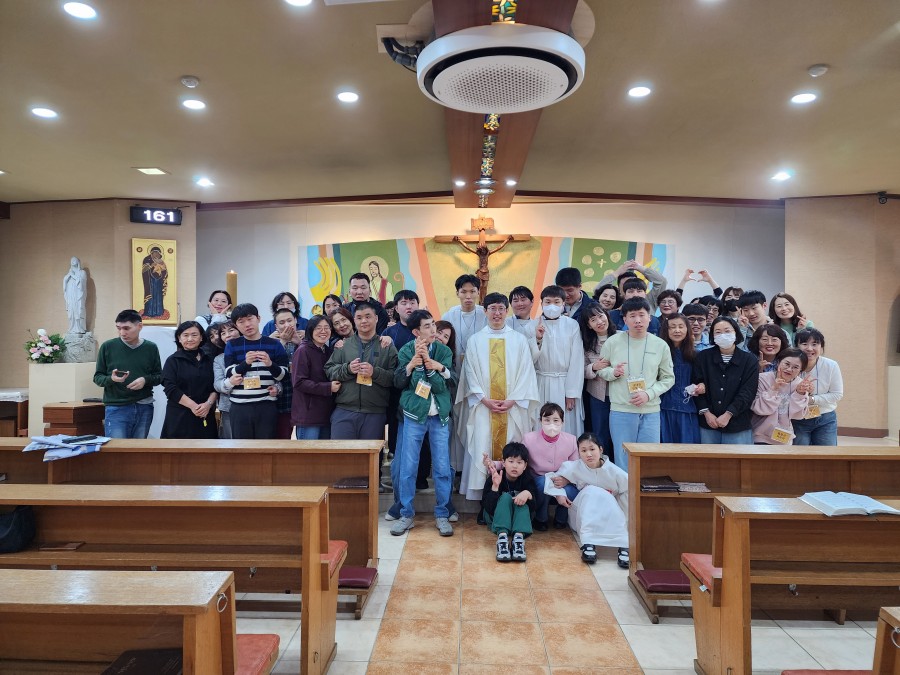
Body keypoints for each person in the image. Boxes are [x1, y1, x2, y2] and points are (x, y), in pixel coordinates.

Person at [458, 293, 540, 501]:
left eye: (501, 308)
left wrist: (513, 399)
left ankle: (511, 493)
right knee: (482, 444)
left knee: (511, 448)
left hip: (512, 407)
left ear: (507, 310)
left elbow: (526, 372)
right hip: (484, 407)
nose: (497, 313)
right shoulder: (475, 340)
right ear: (485, 311)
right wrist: (483, 399)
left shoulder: (519, 340)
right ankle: (483, 496)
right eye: (492, 309)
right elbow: (470, 373)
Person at [390, 310, 456, 537]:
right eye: (427, 326)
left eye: (433, 324)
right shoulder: (406, 350)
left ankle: (443, 514)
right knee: (408, 467)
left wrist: (432, 364)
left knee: (442, 467)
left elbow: (441, 385)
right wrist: (413, 365)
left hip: (439, 416)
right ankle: (406, 514)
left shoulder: (444, 351)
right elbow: (399, 381)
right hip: (413, 416)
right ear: (416, 332)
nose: (433, 330)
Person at [598, 297, 675, 472]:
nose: (638, 320)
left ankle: (645, 490)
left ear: (650, 318)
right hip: (621, 409)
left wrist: (649, 394)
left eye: (642, 315)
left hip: (650, 410)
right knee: (623, 458)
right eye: (632, 316)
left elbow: (668, 378)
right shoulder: (613, 342)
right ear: (625, 319)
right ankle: (625, 490)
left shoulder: (660, 345)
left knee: (649, 458)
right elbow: (602, 370)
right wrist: (613, 372)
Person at [549, 432, 629, 567]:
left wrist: (626, 521)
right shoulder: (573, 467)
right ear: (579, 452)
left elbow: (628, 493)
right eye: (584, 450)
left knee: (610, 502)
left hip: (609, 514)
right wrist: (559, 494)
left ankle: (623, 545)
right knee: (591, 491)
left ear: (601, 449)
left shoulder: (615, 472)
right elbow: (551, 480)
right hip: (583, 513)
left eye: (592, 449)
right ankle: (588, 544)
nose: (589, 454)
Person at [325, 300, 399, 440]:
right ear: (354, 320)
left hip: (375, 413)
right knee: (339, 452)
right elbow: (329, 371)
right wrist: (347, 369)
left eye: (368, 316)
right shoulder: (343, 346)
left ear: (376, 318)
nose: (363, 321)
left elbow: (395, 379)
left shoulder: (386, 346)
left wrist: (374, 373)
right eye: (359, 317)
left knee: (369, 454)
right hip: (344, 410)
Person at [224, 303, 290, 439]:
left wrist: (270, 364)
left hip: (266, 405)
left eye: (250, 319)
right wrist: (245, 363)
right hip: (239, 406)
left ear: (258, 319)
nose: (247, 324)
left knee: (265, 446)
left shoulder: (274, 344)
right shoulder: (232, 345)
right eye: (241, 322)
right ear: (236, 325)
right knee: (241, 447)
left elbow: (283, 375)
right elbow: (229, 373)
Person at [93, 309, 162, 438]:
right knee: (116, 448)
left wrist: (145, 380)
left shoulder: (151, 348)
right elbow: (98, 377)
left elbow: (159, 376)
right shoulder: (108, 346)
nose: (122, 333)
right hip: (116, 407)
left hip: (144, 406)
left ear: (139, 326)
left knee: (138, 449)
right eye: (118, 328)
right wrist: (111, 379)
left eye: (126, 328)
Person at [691, 316, 759, 444]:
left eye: (727, 331)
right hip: (708, 422)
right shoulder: (703, 357)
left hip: (738, 423)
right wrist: (706, 413)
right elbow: (696, 386)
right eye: (718, 332)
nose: (723, 335)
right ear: (712, 336)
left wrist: (729, 414)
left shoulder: (749, 360)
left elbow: (748, 392)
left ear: (736, 332)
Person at [534, 285, 585, 436]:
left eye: (556, 302)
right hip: (541, 382)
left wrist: (571, 392)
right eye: (548, 302)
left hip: (564, 384)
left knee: (566, 425)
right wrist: (537, 339)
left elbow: (577, 360)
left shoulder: (572, 325)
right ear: (541, 303)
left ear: (563, 304)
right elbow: (528, 360)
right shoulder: (533, 325)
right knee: (541, 423)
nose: (552, 306)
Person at [522, 403, 579, 531]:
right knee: (542, 483)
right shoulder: (529, 439)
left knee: (572, 491)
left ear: (562, 422)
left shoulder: (571, 440)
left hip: (562, 480)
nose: (551, 424)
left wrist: (566, 480)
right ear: (540, 421)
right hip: (539, 479)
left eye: (556, 420)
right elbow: (519, 459)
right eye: (547, 420)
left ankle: (561, 519)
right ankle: (540, 518)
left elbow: (575, 468)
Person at [161, 321, 218, 439]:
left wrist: (208, 405)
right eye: (185, 335)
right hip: (179, 414)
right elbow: (170, 388)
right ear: (179, 338)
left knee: (206, 449)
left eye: (194, 335)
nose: (190, 339)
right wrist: (193, 406)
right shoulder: (173, 360)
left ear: (201, 337)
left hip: (205, 412)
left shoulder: (209, 360)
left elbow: (215, 386)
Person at [481, 442, 537, 562]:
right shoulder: (495, 477)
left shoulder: (528, 479)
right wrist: (495, 487)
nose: (515, 466)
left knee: (522, 501)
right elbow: (488, 508)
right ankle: (502, 540)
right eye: (511, 461)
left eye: (519, 462)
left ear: (525, 465)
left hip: (518, 520)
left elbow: (534, 508)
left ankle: (518, 540)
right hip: (496, 519)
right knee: (506, 497)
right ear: (503, 463)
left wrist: (528, 494)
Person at [792, 328, 843, 445]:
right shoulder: (791, 365)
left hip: (825, 418)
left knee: (826, 454)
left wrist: (811, 399)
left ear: (821, 347)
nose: (809, 348)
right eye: (804, 344)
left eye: (814, 344)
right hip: (797, 418)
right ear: (796, 346)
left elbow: (837, 394)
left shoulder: (831, 365)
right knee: (799, 454)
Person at [291, 315, 339, 440]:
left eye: (327, 327)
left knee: (324, 452)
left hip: (326, 414)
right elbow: (299, 382)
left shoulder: (328, 351)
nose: (323, 331)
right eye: (318, 328)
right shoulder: (303, 350)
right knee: (308, 452)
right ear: (310, 330)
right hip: (308, 417)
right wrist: (328, 387)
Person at [751, 348, 812, 445]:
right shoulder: (763, 378)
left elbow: (797, 415)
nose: (789, 369)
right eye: (787, 364)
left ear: (801, 370)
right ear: (778, 362)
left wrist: (799, 393)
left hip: (784, 438)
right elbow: (760, 409)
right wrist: (774, 389)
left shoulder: (800, 384)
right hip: (760, 436)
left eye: (795, 367)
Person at [579, 302, 616, 460]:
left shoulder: (622, 336)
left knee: (620, 432)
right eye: (593, 320)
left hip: (620, 394)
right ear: (589, 325)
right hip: (598, 395)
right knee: (600, 432)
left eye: (601, 316)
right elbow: (580, 370)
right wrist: (594, 367)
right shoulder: (586, 344)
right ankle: (603, 464)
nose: (599, 322)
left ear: (607, 315)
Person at [659, 313, 700, 443]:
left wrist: (700, 386)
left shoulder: (695, 355)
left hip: (687, 407)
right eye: (672, 327)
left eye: (681, 326)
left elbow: (701, 380)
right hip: (663, 407)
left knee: (687, 448)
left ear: (687, 329)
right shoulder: (658, 353)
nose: (677, 330)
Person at [441, 274, 487, 373]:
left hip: (481, 367)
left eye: (472, 291)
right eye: (464, 292)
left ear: (478, 292)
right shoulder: (448, 316)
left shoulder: (486, 315)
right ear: (457, 293)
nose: (468, 296)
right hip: (454, 367)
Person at [273, 307, 302, 439]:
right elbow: (269, 367)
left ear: (295, 321)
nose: (286, 325)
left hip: (302, 398)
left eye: (289, 320)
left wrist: (300, 343)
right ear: (276, 326)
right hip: (282, 399)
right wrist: (283, 342)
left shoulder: (307, 340)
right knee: (282, 438)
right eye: (282, 322)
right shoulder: (272, 343)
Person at [596, 259, 668, 312]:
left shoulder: (649, 300)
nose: (635, 294)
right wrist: (617, 272)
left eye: (638, 290)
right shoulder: (614, 303)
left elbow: (661, 281)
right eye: (626, 286)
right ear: (619, 290)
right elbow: (598, 291)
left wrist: (639, 267)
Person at [213, 320, 241, 439]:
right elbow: (217, 384)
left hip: (255, 405)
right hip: (229, 407)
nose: (227, 335)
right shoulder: (219, 359)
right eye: (223, 333)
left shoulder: (252, 351)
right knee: (231, 442)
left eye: (231, 330)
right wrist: (230, 382)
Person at [140, 245, 168, 319]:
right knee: (151, 296)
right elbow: (144, 270)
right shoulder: (147, 259)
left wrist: (162, 269)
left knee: (158, 296)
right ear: (152, 253)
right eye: (155, 253)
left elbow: (165, 272)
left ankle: (159, 312)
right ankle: (149, 312)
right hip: (150, 282)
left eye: (158, 253)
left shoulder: (161, 261)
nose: (156, 254)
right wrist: (151, 265)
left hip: (159, 282)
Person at [63, 256, 87, 334]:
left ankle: (79, 327)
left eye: (74, 260)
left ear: (78, 262)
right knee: (71, 310)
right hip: (70, 294)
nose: (72, 261)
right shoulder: (69, 273)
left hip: (78, 295)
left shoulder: (82, 272)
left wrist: (72, 275)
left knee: (78, 310)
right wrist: (68, 276)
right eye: (71, 260)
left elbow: (81, 283)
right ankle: (72, 327)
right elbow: (65, 283)